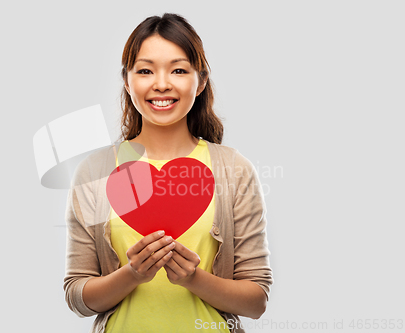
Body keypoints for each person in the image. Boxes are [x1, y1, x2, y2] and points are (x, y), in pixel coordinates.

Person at [64, 13, 273, 333]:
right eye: (145, 70)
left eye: (178, 70)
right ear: (127, 80)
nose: (161, 84)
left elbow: (256, 301)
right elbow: (77, 296)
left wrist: (194, 278)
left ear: (200, 81)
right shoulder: (95, 172)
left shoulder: (233, 170)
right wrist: (132, 274)